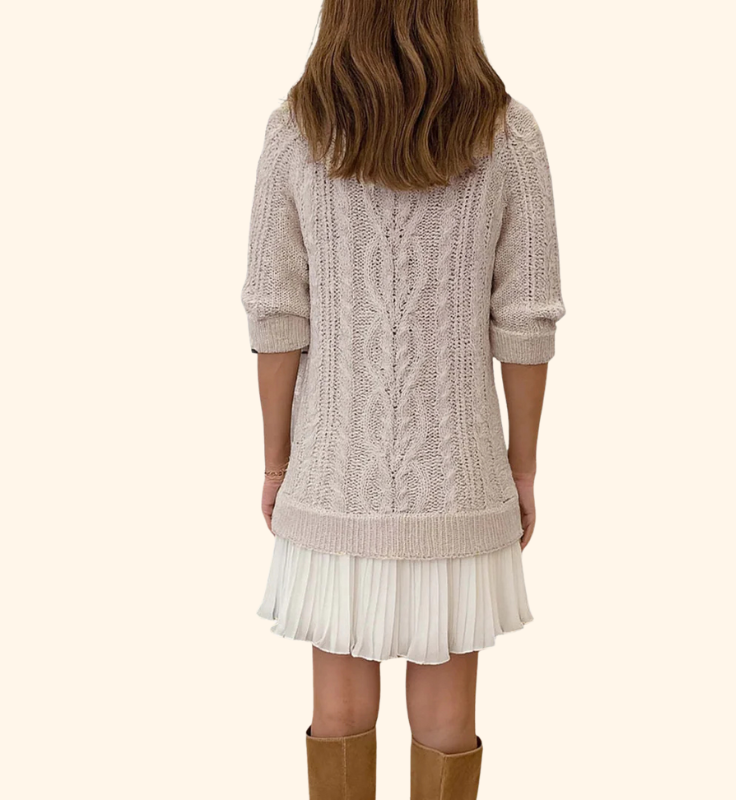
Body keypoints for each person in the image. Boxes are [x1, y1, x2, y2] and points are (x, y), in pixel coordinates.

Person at [240, 1, 565, 797]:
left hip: (332, 475)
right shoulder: (508, 135)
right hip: (460, 480)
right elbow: (526, 321)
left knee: (340, 711)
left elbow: (276, 315)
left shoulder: (297, 133)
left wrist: (277, 462)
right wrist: (522, 467)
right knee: (447, 720)